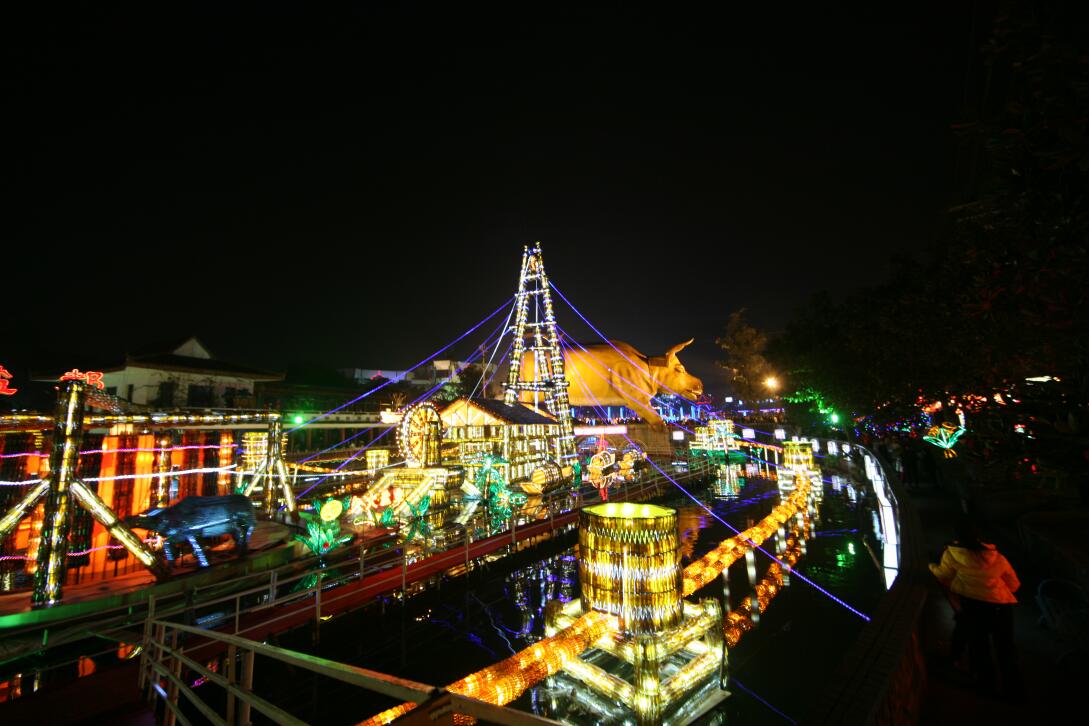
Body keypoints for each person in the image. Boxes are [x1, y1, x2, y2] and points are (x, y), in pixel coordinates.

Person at [929, 517, 1022, 698]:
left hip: (973, 606)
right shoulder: (995, 556)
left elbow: (943, 575)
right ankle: (1015, 692)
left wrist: (931, 566)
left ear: (956, 535)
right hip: (1001, 607)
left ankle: (987, 687)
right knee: (1006, 649)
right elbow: (1014, 584)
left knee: (980, 647)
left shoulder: (952, 553)